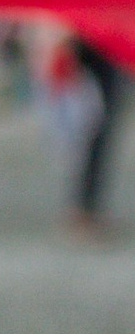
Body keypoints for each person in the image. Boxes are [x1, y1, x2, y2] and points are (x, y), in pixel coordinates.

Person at [64, 33, 126, 242]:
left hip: (98, 36)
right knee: (95, 128)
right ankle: (85, 208)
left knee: (94, 129)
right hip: (96, 35)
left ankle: (86, 207)